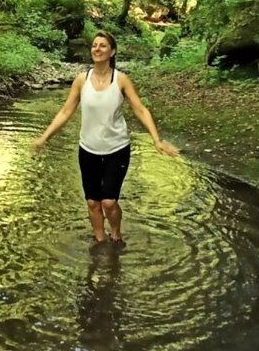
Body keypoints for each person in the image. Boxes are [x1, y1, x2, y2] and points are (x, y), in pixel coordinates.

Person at [32, 31, 179, 243]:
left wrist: (157, 140)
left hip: (116, 149)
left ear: (112, 52)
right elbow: (65, 111)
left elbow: (140, 109)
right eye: (94, 45)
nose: (97, 49)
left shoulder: (121, 80)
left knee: (109, 202)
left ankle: (116, 235)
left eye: (102, 45)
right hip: (88, 149)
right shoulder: (81, 80)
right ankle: (100, 242)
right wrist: (44, 137)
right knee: (93, 203)